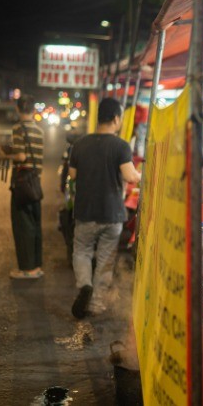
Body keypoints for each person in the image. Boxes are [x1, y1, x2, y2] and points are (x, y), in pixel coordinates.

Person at [68, 98, 141, 319]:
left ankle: (84, 285)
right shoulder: (120, 146)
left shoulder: (80, 144)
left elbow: (73, 176)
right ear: (116, 118)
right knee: (105, 259)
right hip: (112, 213)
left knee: (81, 251)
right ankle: (97, 304)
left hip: (86, 211)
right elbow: (130, 176)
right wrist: (139, 175)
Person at [0, 94, 44, 279]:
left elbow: (21, 157)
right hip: (35, 182)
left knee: (22, 226)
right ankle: (37, 266)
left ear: (18, 109)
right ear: (33, 110)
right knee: (34, 223)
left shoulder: (18, 128)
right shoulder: (39, 131)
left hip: (22, 183)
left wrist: (4, 155)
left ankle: (27, 269)